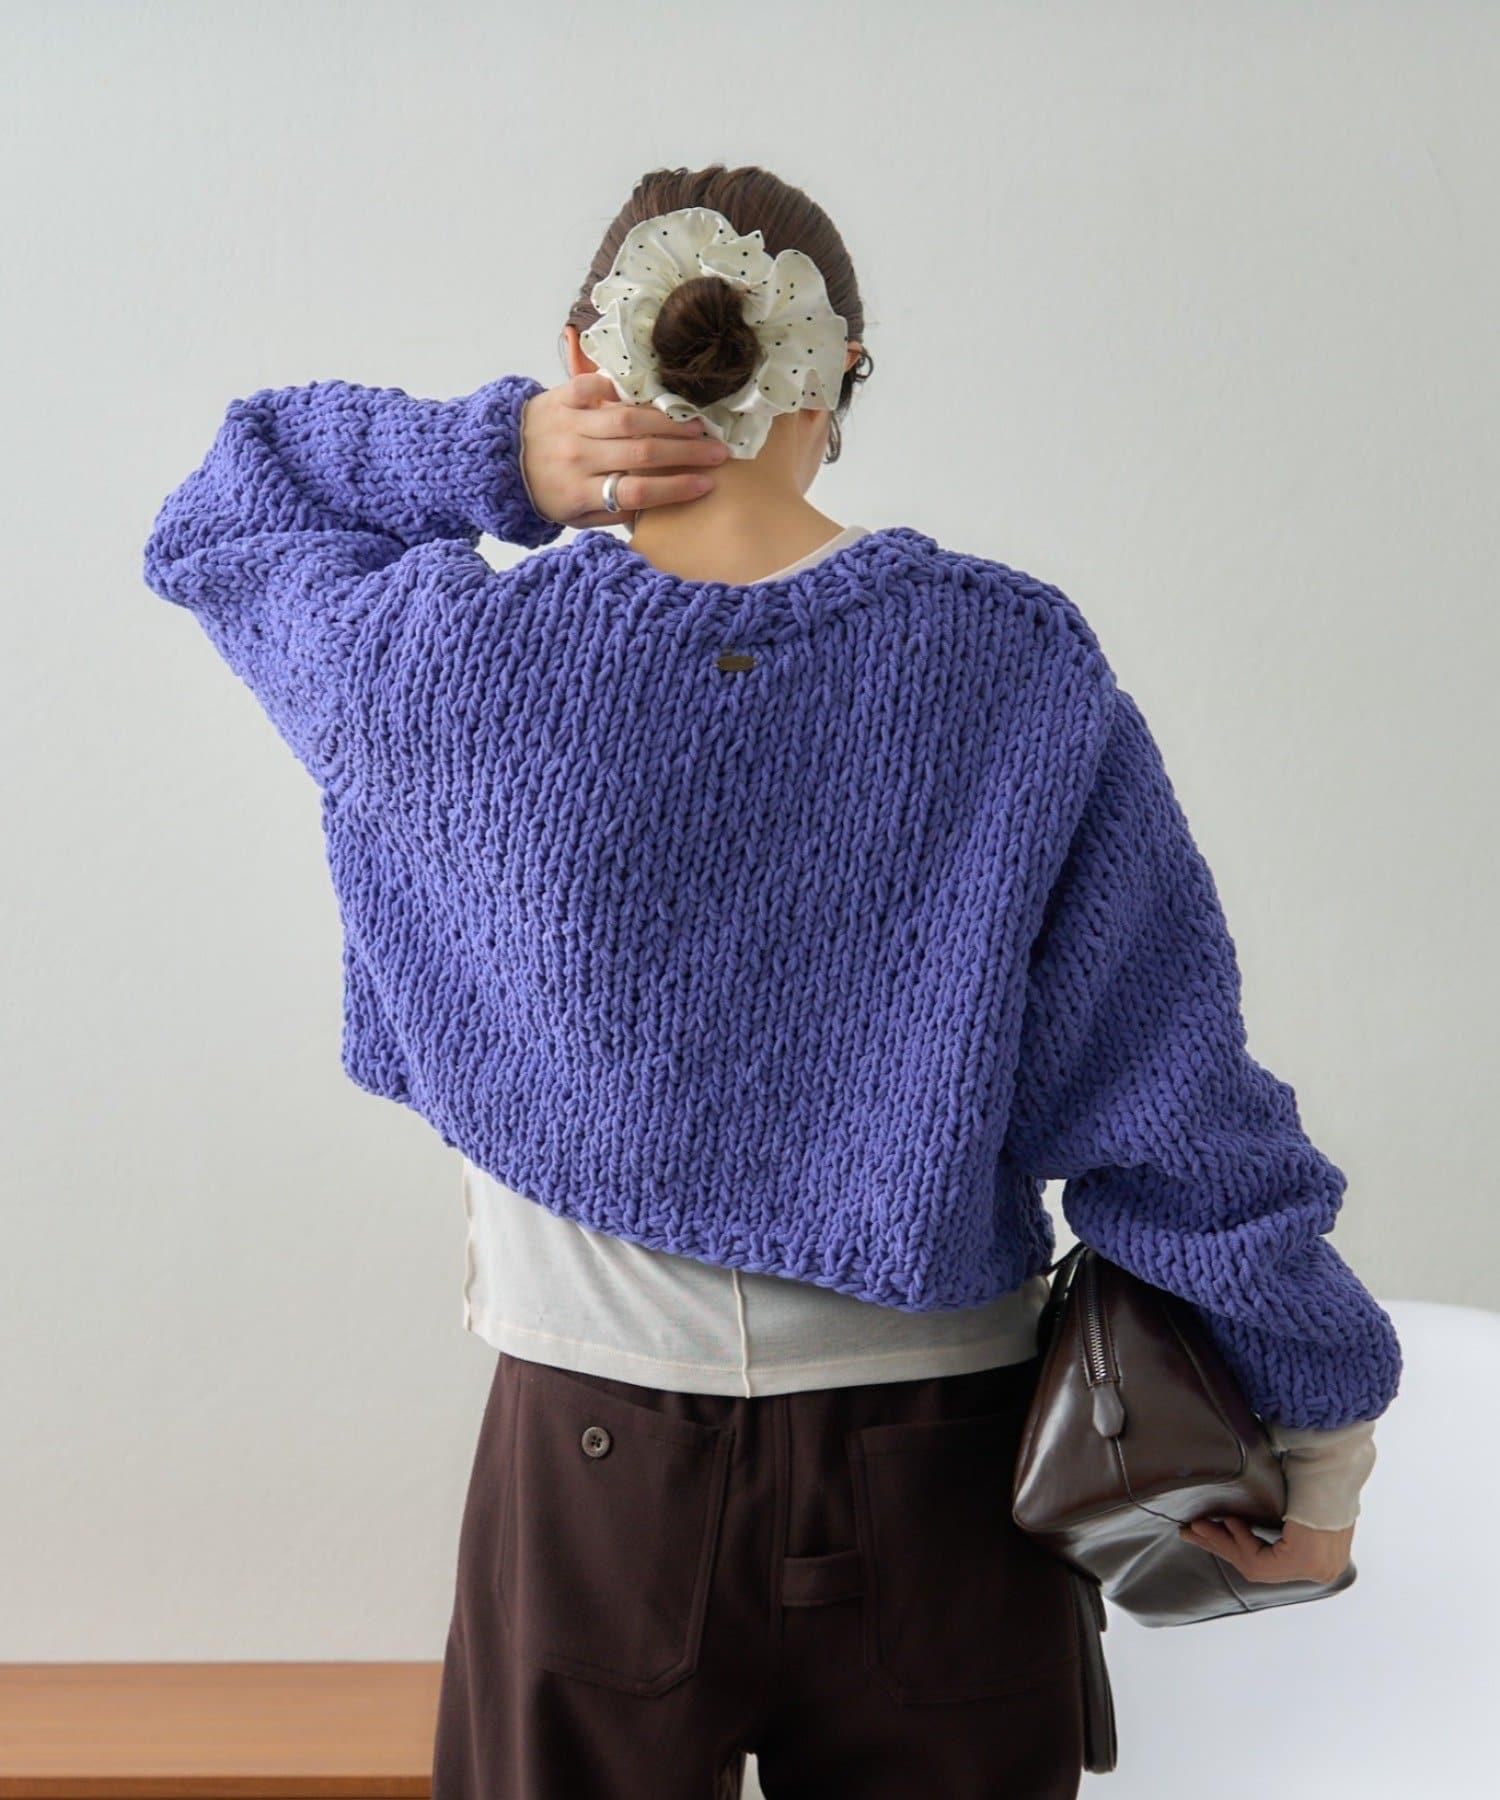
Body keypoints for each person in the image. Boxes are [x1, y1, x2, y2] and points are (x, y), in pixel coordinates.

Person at [141, 163, 1400, 1799]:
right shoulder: (1009, 665)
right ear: (840, 376)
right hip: (945, 1477)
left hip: (594, 1465)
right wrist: (1321, 1447)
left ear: (590, 360)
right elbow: (1173, 1100)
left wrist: (505, 455)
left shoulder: (441, 663)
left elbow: (232, 507)